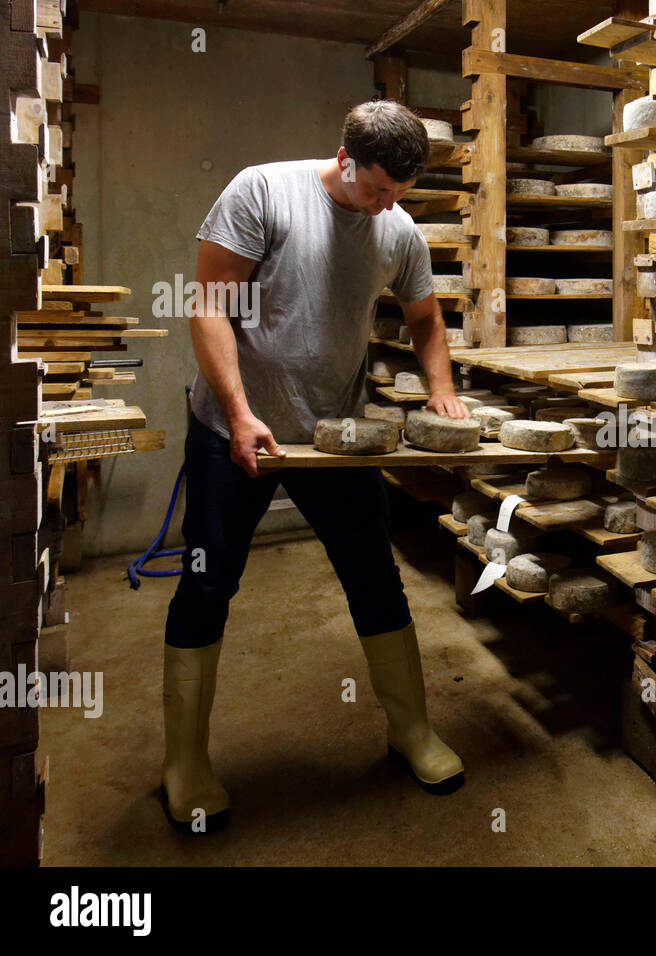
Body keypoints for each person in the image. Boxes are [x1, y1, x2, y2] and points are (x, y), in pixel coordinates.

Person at [161, 101, 468, 833]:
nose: (387, 205)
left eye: (400, 194)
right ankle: (184, 763)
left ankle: (410, 731)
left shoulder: (397, 229)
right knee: (207, 584)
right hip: (232, 431)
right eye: (377, 190)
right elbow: (209, 306)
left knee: (375, 576)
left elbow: (423, 316)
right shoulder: (262, 192)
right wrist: (239, 412)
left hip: (335, 439)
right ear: (345, 158)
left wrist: (443, 390)